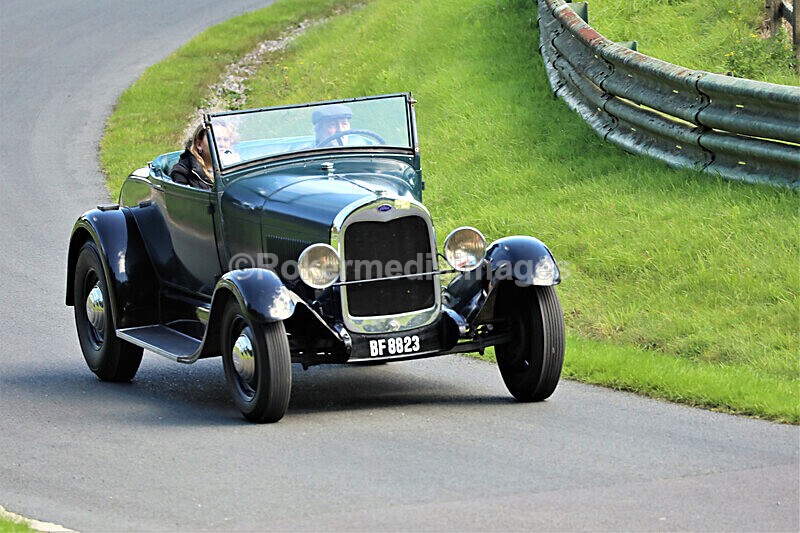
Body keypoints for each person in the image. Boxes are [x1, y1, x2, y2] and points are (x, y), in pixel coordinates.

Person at [170, 124, 214, 190]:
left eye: (226, 140)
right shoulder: (181, 172)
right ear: (199, 144)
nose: (221, 144)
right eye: (214, 139)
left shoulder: (230, 166)